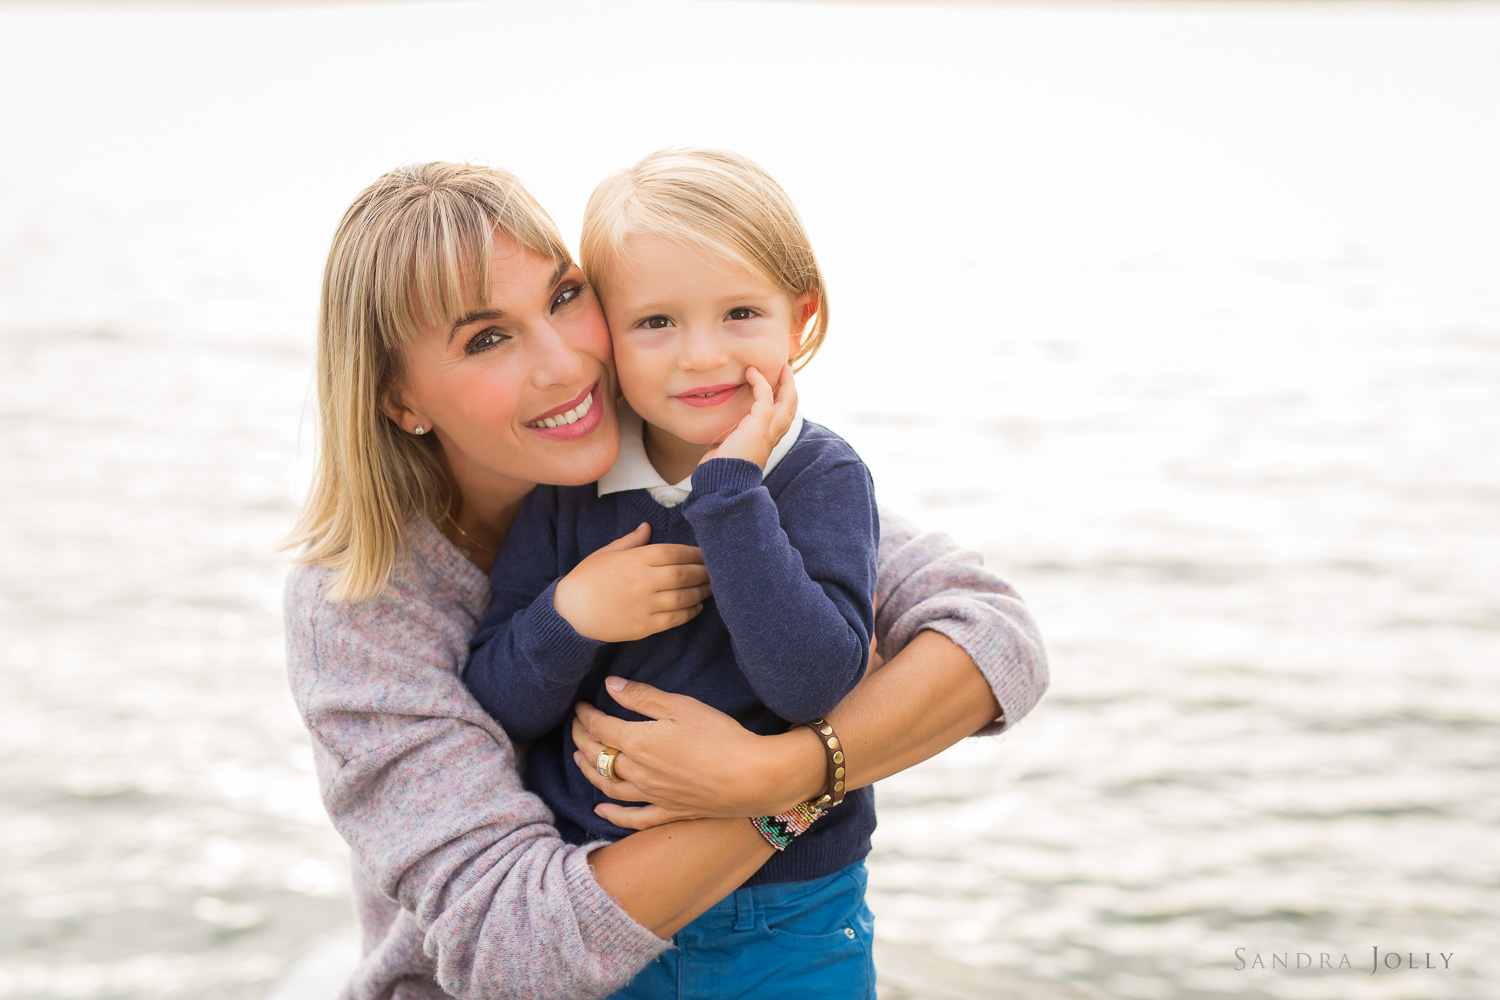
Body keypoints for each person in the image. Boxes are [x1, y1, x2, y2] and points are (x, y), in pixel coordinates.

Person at [282, 161, 1049, 1000]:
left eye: (565, 298)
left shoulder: (706, 468)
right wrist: (783, 798)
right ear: (401, 400)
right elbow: (517, 951)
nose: (567, 364)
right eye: (488, 338)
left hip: (782, 933)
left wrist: (785, 767)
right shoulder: (360, 604)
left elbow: (993, 639)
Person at [462, 148, 881, 997]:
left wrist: (728, 494)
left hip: (790, 913)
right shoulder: (572, 490)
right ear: (605, 335)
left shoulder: (821, 477)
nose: (701, 356)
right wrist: (569, 613)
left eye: (740, 314)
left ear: (800, 320)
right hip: (608, 904)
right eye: (656, 323)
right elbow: (498, 703)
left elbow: (812, 684)